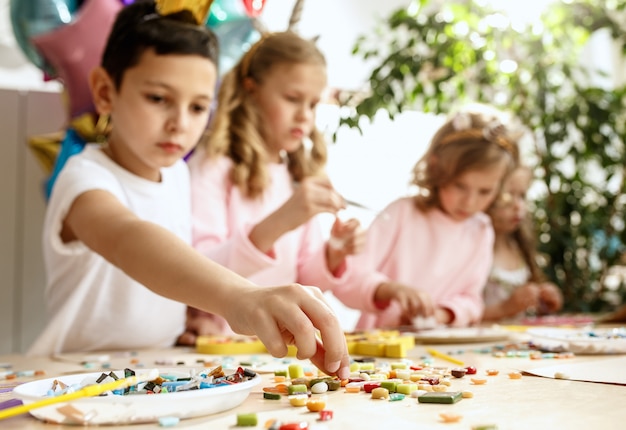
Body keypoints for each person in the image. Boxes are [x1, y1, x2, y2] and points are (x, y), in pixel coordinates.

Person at [26, 1, 350, 380]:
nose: (180, 124)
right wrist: (241, 296)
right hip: (72, 378)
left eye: (198, 107)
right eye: (158, 99)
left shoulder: (177, 174)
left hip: (157, 372)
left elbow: (181, 270)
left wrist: (187, 318)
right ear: (105, 91)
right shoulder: (82, 177)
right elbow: (130, 239)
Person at [183, 31, 364, 342]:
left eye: (313, 104)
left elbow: (305, 280)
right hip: (218, 346)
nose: (305, 115)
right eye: (293, 99)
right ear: (252, 90)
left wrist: (334, 252)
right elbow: (194, 273)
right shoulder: (212, 167)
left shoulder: (292, 175)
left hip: (276, 349)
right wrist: (282, 220)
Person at [331, 104, 521, 329]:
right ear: (436, 167)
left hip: (441, 351)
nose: (470, 202)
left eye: (485, 191)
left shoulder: (481, 230)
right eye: (460, 186)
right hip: (379, 350)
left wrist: (440, 315)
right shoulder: (401, 213)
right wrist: (390, 290)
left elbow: (471, 299)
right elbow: (349, 278)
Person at [481, 165, 563, 321]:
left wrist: (543, 301)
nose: (518, 206)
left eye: (522, 196)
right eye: (508, 195)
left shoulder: (519, 246)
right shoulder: (472, 250)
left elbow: (525, 311)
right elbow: (460, 313)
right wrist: (505, 308)